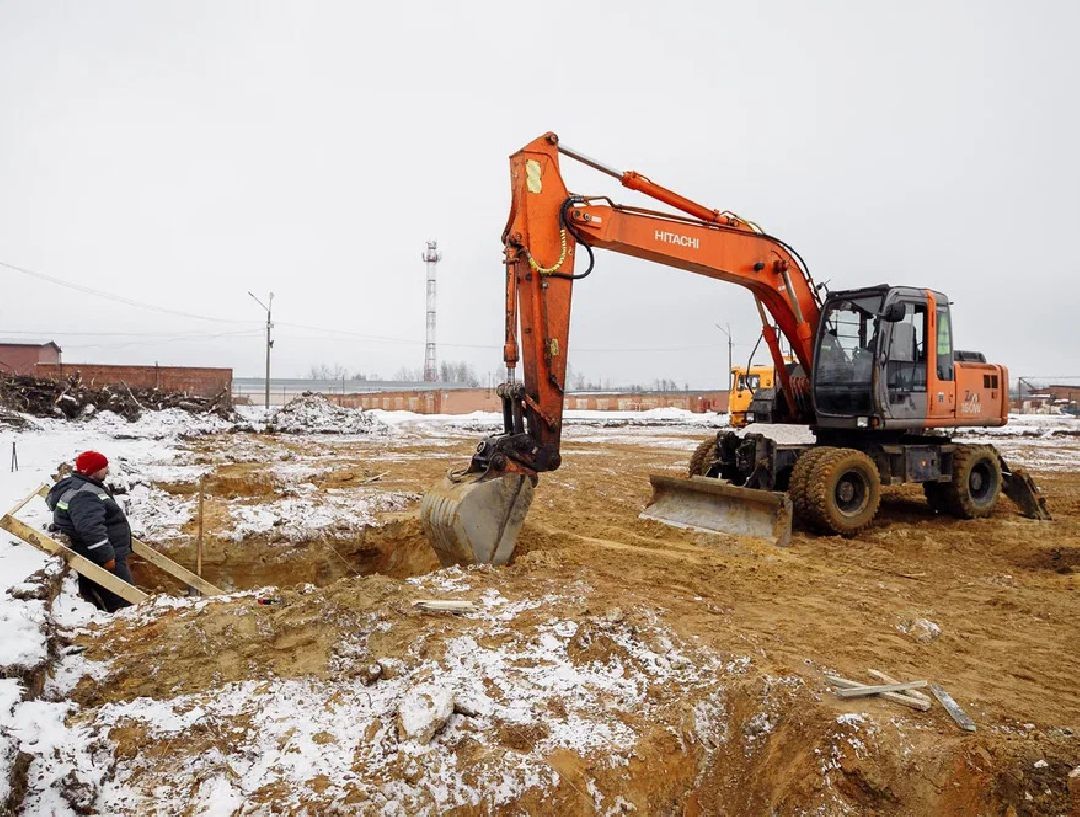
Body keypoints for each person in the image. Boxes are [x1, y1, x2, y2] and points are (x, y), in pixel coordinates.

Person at [45, 450, 135, 612]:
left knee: (118, 594)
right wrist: (107, 557)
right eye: (103, 467)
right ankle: (126, 626)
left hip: (105, 551)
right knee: (123, 598)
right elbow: (91, 530)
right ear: (92, 471)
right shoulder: (85, 495)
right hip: (106, 556)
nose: (107, 470)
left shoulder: (78, 485)